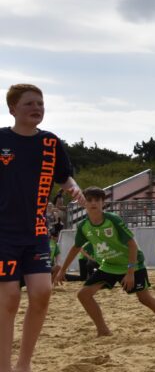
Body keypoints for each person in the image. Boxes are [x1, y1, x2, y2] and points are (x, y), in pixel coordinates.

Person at [0, 84, 85, 372]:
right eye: (29, 104)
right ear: (12, 109)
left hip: (36, 231)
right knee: (9, 299)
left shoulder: (51, 142)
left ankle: (24, 365)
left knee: (42, 293)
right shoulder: (0, 139)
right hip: (2, 233)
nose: (37, 108)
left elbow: (65, 178)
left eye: (40, 103)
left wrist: (74, 189)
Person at [53, 187, 155, 336]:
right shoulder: (83, 226)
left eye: (97, 200)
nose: (93, 203)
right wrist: (62, 270)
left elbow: (132, 244)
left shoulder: (113, 219)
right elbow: (76, 247)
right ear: (84, 203)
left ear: (103, 203)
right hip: (109, 265)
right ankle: (103, 330)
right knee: (83, 295)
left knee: (145, 299)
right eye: (90, 200)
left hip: (132, 264)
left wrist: (130, 272)